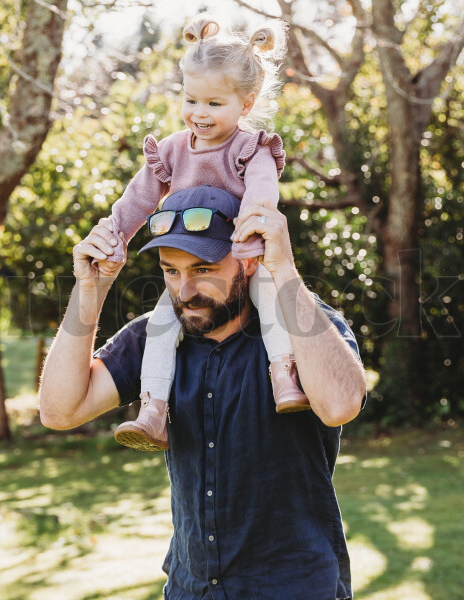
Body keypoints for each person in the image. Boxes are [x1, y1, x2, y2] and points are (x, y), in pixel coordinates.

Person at [39, 184, 367, 599]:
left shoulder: (300, 327)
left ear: (247, 262)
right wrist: (91, 290)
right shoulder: (152, 340)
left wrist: (282, 267)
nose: (184, 291)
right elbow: (58, 411)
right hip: (190, 589)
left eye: (202, 270)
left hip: (294, 588)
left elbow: (340, 405)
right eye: (171, 271)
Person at [98, 14, 305, 452]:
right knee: (160, 325)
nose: (199, 113)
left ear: (245, 104)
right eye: (191, 100)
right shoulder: (171, 150)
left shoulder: (251, 148)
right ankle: (153, 410)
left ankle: (284, 377)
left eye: (214, 103)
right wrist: (115, 232)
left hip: (242, 252)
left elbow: (262, 195)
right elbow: (138, 198)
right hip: (192, 254)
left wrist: (251, 239)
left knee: (272, 305)